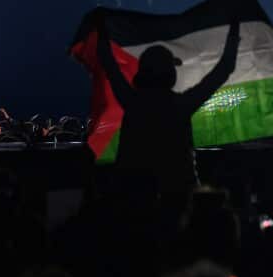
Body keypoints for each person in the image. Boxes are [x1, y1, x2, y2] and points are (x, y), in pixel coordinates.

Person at [97, 17, 240, 205]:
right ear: (169, 73)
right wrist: (235, 27)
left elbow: (108, 62)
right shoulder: (181, 104)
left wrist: (101, 29)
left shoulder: (132, 101)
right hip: (179, 199)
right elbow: (224, 69)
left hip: (134, 201)